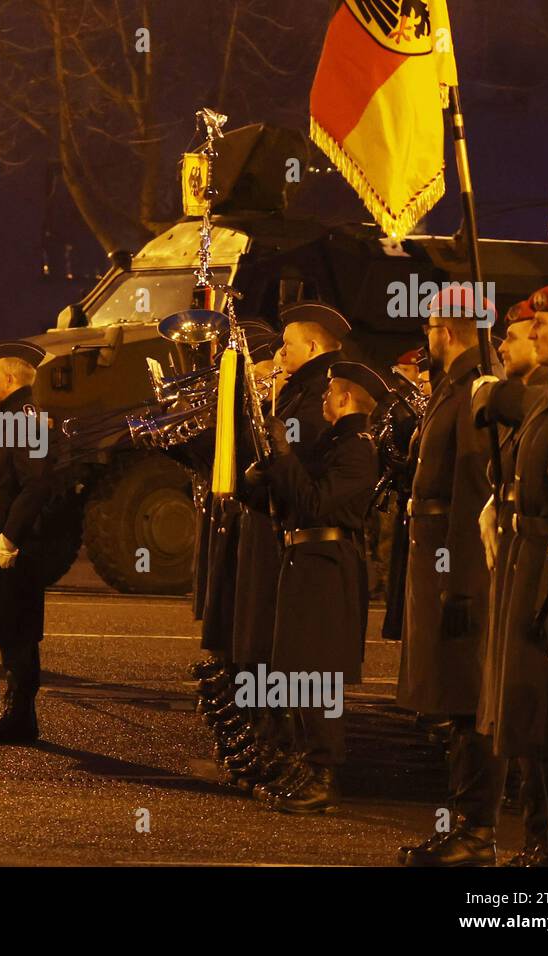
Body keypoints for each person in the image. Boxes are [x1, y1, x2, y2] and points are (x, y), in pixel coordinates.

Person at [215, 303, 350, 792]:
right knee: (284, 654)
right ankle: (292, 752)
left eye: (288, 344)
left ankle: (316, 764)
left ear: (313, 347)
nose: (279, 352)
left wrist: (270, 466)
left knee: (308, 664)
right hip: (288, 537)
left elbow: (305, 473)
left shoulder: (318, 396)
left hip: (307, 542)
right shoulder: (302, 391)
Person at [398, 286, 504, 867]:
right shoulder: (453, 387)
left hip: (454, 564)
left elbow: (473, 491)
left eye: (432, 325)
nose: (426, 335)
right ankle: (463, 823)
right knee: (451, 698)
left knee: (467, 700)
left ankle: (476, 832)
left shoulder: (472, 391)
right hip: (437, 560)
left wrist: (462, 580)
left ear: (450, 328)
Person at [248, 361, 383, 812]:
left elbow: (315, 504)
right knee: (299, 667)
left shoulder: (358, 448)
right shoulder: (336, 443)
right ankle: (307, 763)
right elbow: (291, 497)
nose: (322, 400)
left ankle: (323, 774)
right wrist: (258, 477)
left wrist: (285, 456)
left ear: (345, 399)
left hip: (327, 561)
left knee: (317, 672)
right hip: (306, 558)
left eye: (328, 395)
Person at [471, 299, 548, 864]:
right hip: (519, 556)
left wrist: (493, 395)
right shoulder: (535, 393)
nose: (504, 346)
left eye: (519, 334)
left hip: (546, 564)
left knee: (540, 706)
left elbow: (538, 412)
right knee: (520, 706)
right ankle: (538, 836)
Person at [0, 343, 54, 743]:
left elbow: (36, 483)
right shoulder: (13, 413)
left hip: (9, 526)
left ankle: (20, 717)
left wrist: (10, 535)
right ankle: (18, 713)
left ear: (9, 378)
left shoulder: (24, 418)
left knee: (15, 626)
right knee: (7, 624)